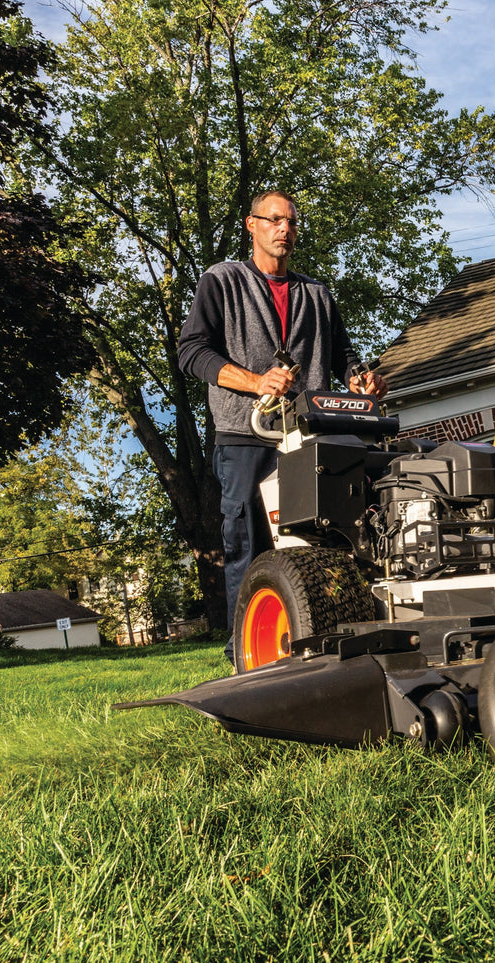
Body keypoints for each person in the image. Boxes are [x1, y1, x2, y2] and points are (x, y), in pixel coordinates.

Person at [177, 189, 387, 665]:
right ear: (251, 226)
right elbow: (192, 352)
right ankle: (245, 658)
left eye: (291, 222)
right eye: (273, 220)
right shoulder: (222, 281)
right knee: (247, 547)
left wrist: (363, 379)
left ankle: (326, 645)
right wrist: (255, 382)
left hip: (308, 438)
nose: (284, 229)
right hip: (245, 436)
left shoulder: (317, 294)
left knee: (329, 541)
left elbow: (344, 358)